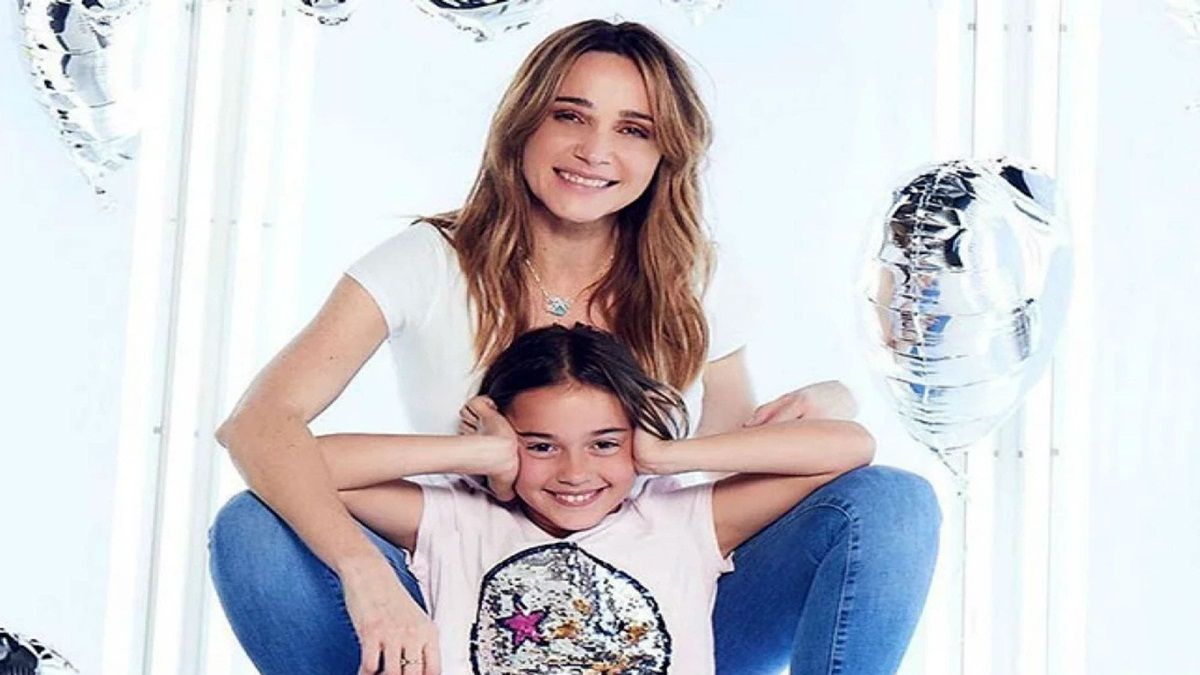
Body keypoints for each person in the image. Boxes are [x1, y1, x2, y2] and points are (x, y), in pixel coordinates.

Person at [209, 18, 941, 675]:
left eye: (634, 128)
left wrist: (831, 399)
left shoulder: (694, 273)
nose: (595, 151)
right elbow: (259, 425)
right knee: (253, 526)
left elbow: (732, 459)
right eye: (571, 115)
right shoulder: (426, 262)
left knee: (892, 502)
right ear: (524, 123)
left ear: (665, 153)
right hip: (460, 593)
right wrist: (363, 569)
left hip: (665, 595)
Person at [319, 323, 875, 673]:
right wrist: (481, 454)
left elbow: (850, 447)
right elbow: (315, 465)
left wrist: (664, 456)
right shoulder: (459, 519)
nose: (575, 473)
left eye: (604, 443)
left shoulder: (678, 519)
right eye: (541, 446)